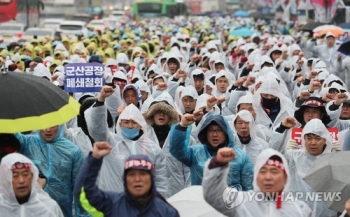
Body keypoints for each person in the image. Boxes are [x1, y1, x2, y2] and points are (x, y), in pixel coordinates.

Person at [85, 86, 168, 197]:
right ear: (120, 124)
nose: (129, 126)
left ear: (140, 125)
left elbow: (161, 181)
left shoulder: (153, 149)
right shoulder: (110, 143)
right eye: (126, 122)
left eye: (133, 122)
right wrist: (100, 100)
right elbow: (97, 128)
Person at [74, 142, 180, 217]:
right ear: (125, 179)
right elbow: (84, 192)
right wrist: (94, 159)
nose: (137, 179)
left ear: (152, 178)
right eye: (132, 174)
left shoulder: (168, 212)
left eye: (143, 174)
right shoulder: (111, 203)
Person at [202, 148, 312, 216]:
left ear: (285, 177)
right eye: (262, 171)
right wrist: (217, 164)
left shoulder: (300, 210)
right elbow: (213, 195)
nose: (268, 177)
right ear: (255, 177)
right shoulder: (241, 203)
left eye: (274, 171)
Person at [169, 113, 254, 190]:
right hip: (201, 203)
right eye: (210, 130)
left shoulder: (241, 157)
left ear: (226, 132)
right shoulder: (195, 153)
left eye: (219, 130)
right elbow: (177, 150)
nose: (214, 134)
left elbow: (248, 188)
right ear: (205, 133)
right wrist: (182, 126)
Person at [15, 126, 85, 217]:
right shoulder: (27, 143)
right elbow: (12, 133)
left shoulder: (73, 152)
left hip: (61, 211)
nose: (47, 130)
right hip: (32, 209)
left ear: (60, 125)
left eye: (53, 125)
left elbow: (80, 189)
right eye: (43, 125)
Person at [285, 119, 337, 217]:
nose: (313, 143)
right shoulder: (294, 158)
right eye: (309, 138)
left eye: (318, 138)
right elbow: (272, 157)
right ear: (303, 139)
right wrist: (281, 133)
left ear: (325, 139)